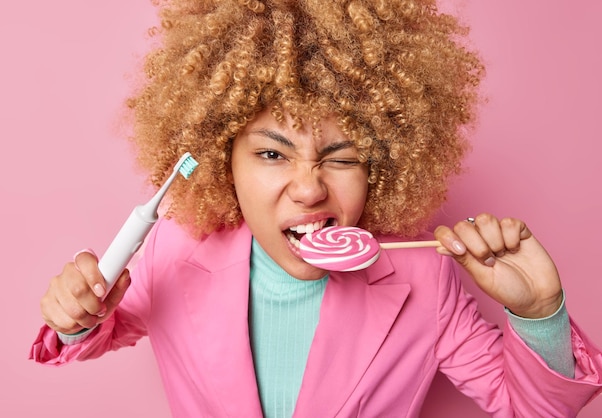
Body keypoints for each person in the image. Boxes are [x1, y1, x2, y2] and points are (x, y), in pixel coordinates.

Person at [30, 0, 602, 416]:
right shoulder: (173, 252)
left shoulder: (426, 279)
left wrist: (541, 314)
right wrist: (76, 313)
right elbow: (93, 334)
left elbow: (531, 409)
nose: (309, 189)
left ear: (382, 166)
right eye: (273, 153)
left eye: (341, 157)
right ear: (221, 156)